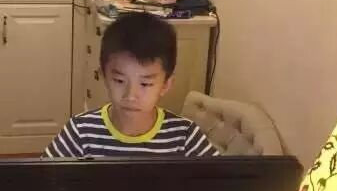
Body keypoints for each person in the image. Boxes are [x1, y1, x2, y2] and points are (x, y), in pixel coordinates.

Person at [43, 13, 218, 158]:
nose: (131, 96)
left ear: (165, 85)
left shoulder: (184, 136)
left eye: (145, 84)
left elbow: (220, 184)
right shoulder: (81, 132)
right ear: (104, 76)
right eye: (119, 81)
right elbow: (43, 180)